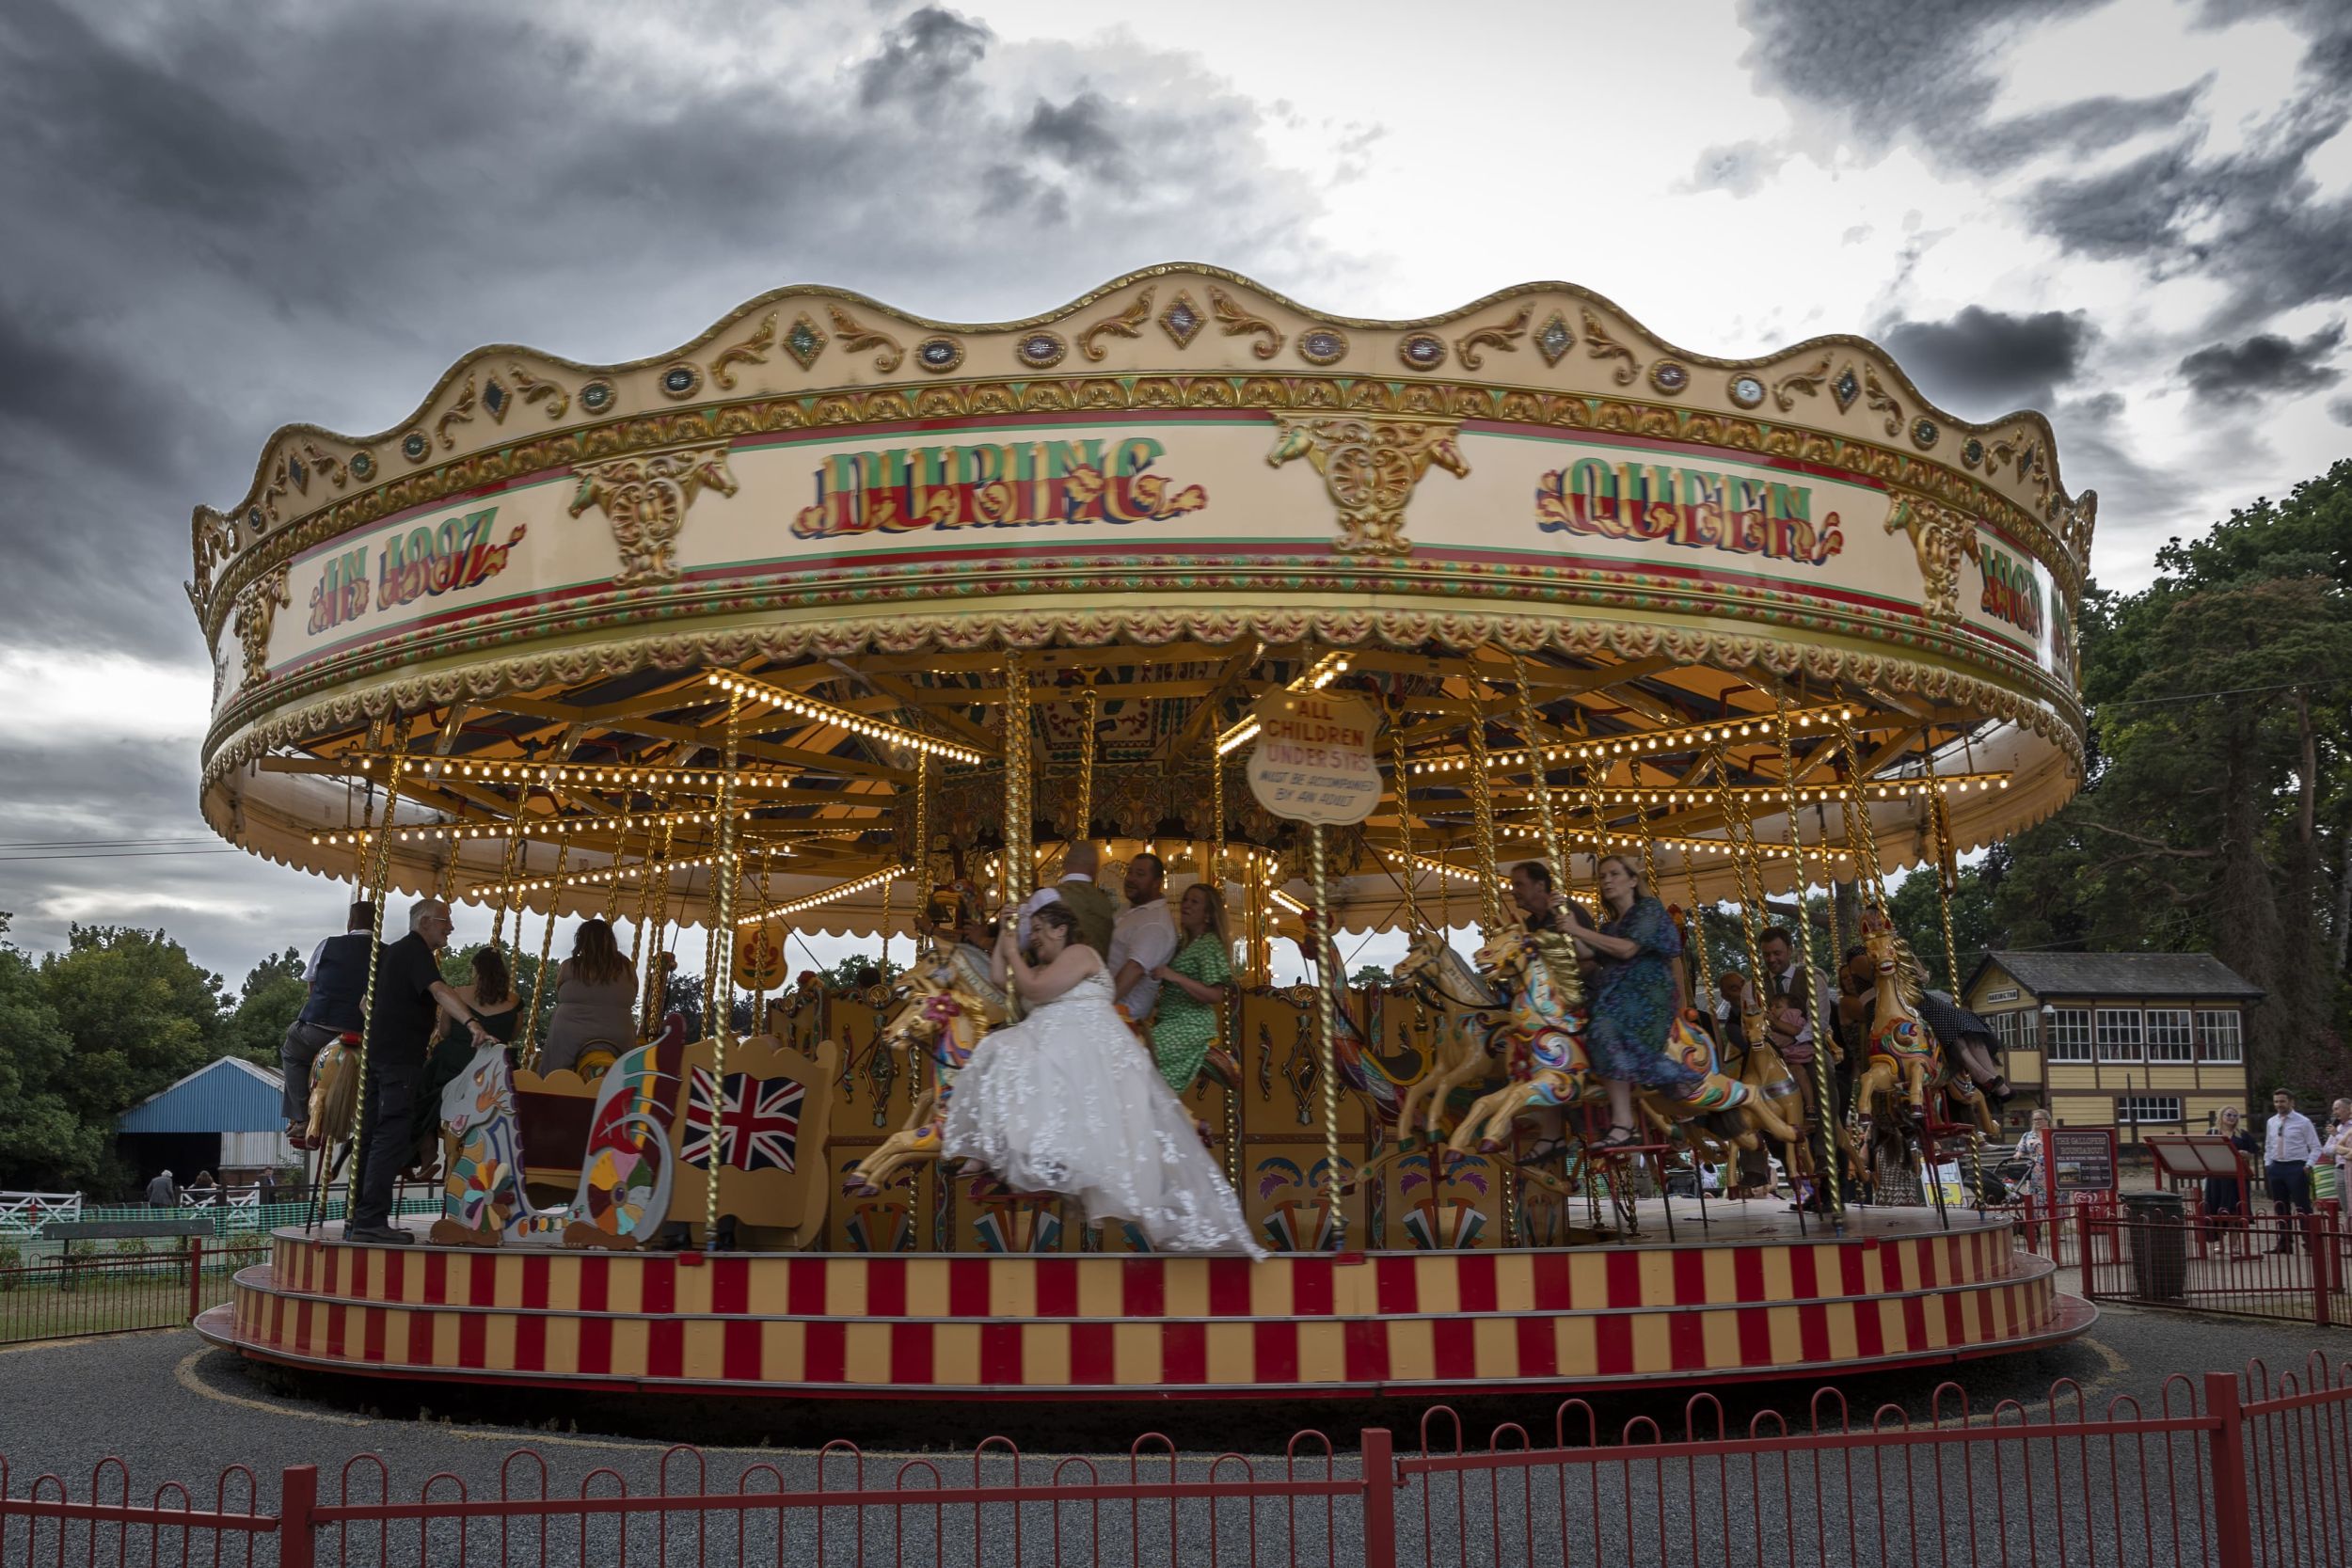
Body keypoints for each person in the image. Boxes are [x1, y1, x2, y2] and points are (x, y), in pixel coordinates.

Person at [942, 901, 1262, 1255]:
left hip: (1081, 1050)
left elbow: (1031, 987)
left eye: (1037, 931)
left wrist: (1014, 952)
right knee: (999, 1051)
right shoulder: (1051, 966)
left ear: (1061, 929)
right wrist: (1005, 935)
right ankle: (994, 1147)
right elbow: (1002, 980)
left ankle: (999, 1147)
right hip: (1056, 1045)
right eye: (1030, 934)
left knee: (1003, 1050)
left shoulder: (1080, 954)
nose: (1033, 940)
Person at [347, 899, 500, 1244]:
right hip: (400, 1058)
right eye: (446, 921)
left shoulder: (390, 954)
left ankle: (361, 1216)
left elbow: (362, 1004)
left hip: (377, 1054)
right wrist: (472, 1023)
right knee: (391, 1134)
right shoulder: (415, 952)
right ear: (426, 922)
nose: (450, 928)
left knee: (372, 1134)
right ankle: (371, 1219)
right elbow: (439, 990)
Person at [1565, 855, 1706, 1150]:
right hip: (1616, 996)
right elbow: (1588, 957)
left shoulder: (1648, 910)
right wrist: (1566, 924)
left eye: (1614, 874)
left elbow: (1628, 949)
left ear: (1632, 880)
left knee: (1604, 1026)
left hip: (1647, 998)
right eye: (1602, 876)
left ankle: (1625, 1121)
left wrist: (1577, 930)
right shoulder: (1608, 927)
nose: (1606, 880)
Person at [409, 947, 523, 1178]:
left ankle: (427, 1147)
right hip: (494, 1067)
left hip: (457, 1062)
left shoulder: (457, 993)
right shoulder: (514, 1001)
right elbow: (513, 1034)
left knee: (419, 1090)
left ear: (476, 971)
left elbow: (444, 1030)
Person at [279, 901, 375, 1148]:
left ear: (350, 923)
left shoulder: (328, 945)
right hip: (367, 1033)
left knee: (292, 1050)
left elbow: (312, 985)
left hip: (322, 1028)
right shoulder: (384, 953)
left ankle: (301, 1117)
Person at [1148, 882, 1234, 1095]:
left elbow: (1217, 994)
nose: (1186, 905)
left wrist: (1174, 976)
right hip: (1169, 1020)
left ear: (1207, 914)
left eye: (1194, 902)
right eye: (1185, 900)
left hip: (1191, 1024)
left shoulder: (1209, 944)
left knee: (1144, 1057)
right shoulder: (1183, 943)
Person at [538, 919, 638, 1074]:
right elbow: (634, 991)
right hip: (617, 1034)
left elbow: (559, 990)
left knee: (555, 1070)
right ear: (611, 941)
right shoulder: (627, 967)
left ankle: (552, 1081)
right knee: (627, 1067)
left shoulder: (569, 966)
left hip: (570, 1033)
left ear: (581, 941)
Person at [1106, 852, 1179, 1022]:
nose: (1131, 879)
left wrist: (1100, 1006)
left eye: (1140, 874)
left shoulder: (1156, 923)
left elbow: (1135, 969)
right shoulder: (1129, 909)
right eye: (1130, 872)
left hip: (1124, 1015)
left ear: (1156, 883)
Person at [1017, 841, 1116, 957]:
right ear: (1094, 869)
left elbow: (1020, 942)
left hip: (1059, 972)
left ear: (1064, 864)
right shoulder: (1106, 903)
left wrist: (1023, 907)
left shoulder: (1047, 897)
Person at [2265, 1087, 2320, 1252]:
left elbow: (2316, 1147)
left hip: (2296, 1166)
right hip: (2276, 1166)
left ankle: (2310, 1243)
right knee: (2280, 1206)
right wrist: (2268, 1164)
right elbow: (2268, 1144)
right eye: (2276, 1102)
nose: (2279, 1104)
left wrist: (2308, 1165)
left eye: (2282, 1101)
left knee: (2302, 1206)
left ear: (2291, 1102)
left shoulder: (2303, 1122)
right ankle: (2284, 1243)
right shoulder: (2271, 1122)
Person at [2205, 1105, 2260, 1259]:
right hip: (2216, 1176)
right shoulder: (2212, 1133)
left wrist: (2245, 1154)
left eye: (2235, 1116)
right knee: (2216, 1207)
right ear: (2221, 1116)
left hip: (2236, 1178)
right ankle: (2220, 1243)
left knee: (2234, 1210)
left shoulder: (2242, 1135)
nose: (2231, 1118)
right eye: (2228, 1115)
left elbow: (2253, 1153)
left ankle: (2235, 1245)